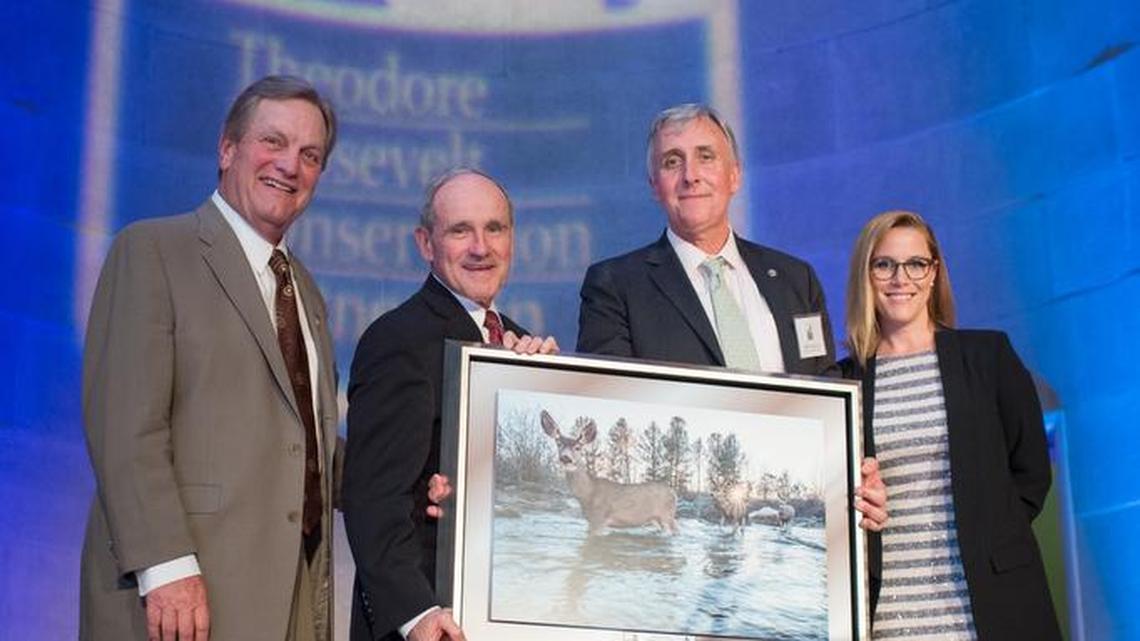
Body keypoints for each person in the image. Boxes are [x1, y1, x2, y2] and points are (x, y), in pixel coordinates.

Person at [80, 75, 340, 641]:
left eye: (310, 154)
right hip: (181, 599)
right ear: (228, 149)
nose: (289, 165)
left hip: (289, 599)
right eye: (273, 142)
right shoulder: (152, 251)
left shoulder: (306, 293)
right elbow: (124, 426)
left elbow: (307, 445)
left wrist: (423, 480)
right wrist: (167, 567)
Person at [577, 103, 887, 530]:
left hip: (795, 511)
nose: (691, 175)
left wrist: (856, 472)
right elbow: (609, 406)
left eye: (706, 156)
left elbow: (827, 392)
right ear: (654, 185)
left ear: (735, 175)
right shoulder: (614, 285)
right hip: (687, 518)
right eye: (672, 162)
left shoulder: (795, 280)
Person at [342, 168, 558, 641]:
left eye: (494, 228)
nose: (481, 247)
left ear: (512, 241)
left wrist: (550, 388)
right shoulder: (398, 339)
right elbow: (372, 497)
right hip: (437, 623)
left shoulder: (522, 345)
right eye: (460, 230)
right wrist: (416, 613)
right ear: (426, 243)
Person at [839, 210, 1061, 639]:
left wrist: (991, 532)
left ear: (934, 271)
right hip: (890, 613)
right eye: (884, 264)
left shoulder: (987, 356)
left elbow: (1031, 471)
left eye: (915, 264)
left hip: (990, 604)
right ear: (866, 275)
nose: (900, 278)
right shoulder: (845, 380)